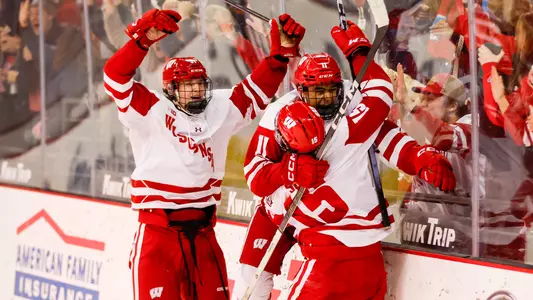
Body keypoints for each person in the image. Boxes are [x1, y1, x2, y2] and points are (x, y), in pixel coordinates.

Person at [232, 21, 456, 300]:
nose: (326, 98)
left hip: (325, 223)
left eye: (330, 89)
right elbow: (256, 173)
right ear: (299, 90)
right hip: (279, 211)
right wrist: (287, 171)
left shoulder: (353, 102)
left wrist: (419, 157)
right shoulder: (280, 112)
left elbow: (388, 138)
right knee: (251, 277)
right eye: (316, 92)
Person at [103, 8, 306, 299]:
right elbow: (115, 77)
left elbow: (255, 92)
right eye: (187, 87)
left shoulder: (218, 109)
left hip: (204, 235)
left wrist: (279, 57)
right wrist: (141, 42)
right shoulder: (150, 109)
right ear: (171, 90)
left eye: (199, 85)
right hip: (158, 236)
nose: (196, 91)